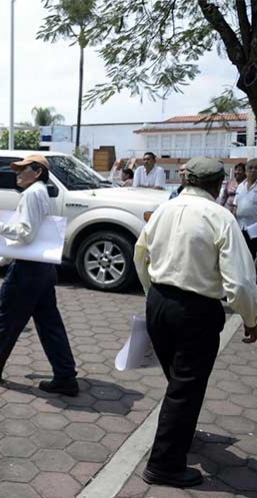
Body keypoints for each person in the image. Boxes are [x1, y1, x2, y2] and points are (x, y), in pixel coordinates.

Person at [134, 157, 257, 488]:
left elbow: (139, 254)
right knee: (185, 387)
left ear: (187, 180)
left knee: (178, 382)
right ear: (218, 185)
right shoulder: (221, 217)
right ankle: (164, 465)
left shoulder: (164, 209)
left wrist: (152, 296)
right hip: (195, 309)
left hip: (159, 301)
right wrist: (251, 318)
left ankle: (180, 434)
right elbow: (240, 282)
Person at [0, 155, 79, 397]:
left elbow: (25, 234)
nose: (16, 173)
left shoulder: (31, 194)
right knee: (50, 325)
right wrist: (3, 259)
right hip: (42, 268)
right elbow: (35, 236)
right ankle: (65, 376)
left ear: (37, 172)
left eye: (22, 169)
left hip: (28, 272)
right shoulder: (41, 192)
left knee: (6, 321)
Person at [236, 158, 257, 259]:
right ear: (246, 171)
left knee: (252, 255)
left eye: (256, 168)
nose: (253, 170)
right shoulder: (240, 186)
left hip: (254, 229)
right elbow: (235, 205)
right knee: (241, 254)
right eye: (250, 168)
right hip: (240, 227)